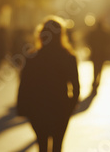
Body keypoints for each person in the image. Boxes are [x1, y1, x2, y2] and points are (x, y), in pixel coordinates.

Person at [17, 16, 80, 152]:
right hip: (61, 107)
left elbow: (24, 84)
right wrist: (71, 105)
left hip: (37, 108)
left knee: (42, 145)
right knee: (57, 146)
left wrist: (22, 107)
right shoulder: (69, 57)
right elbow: (75, 85)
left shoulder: (32, 57)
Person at [87, 21, 109, 91]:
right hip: (102, 54)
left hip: (95, 53)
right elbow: (108, 43)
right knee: (100, 68)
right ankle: (97, 82)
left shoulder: (93, 33)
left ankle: (95, 81)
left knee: (95, 68)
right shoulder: (104, 33)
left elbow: (89, 42)